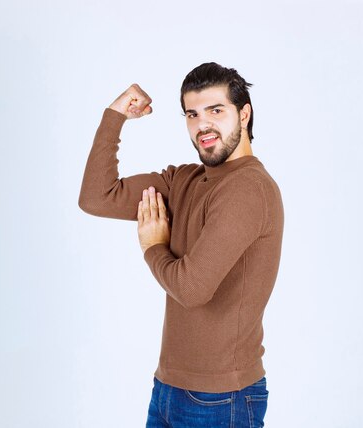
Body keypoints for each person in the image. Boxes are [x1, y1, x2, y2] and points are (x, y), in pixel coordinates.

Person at [79, 62, 284, 427]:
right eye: (192, 113)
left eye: (215, 110)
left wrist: (153, 246)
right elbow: (97, 197)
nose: (202, 124)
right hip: (168, 389)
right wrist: (114, 118)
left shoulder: (249, 189)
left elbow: (191, 289)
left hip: (223, 399)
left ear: (245, 113)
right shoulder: (182, 181)